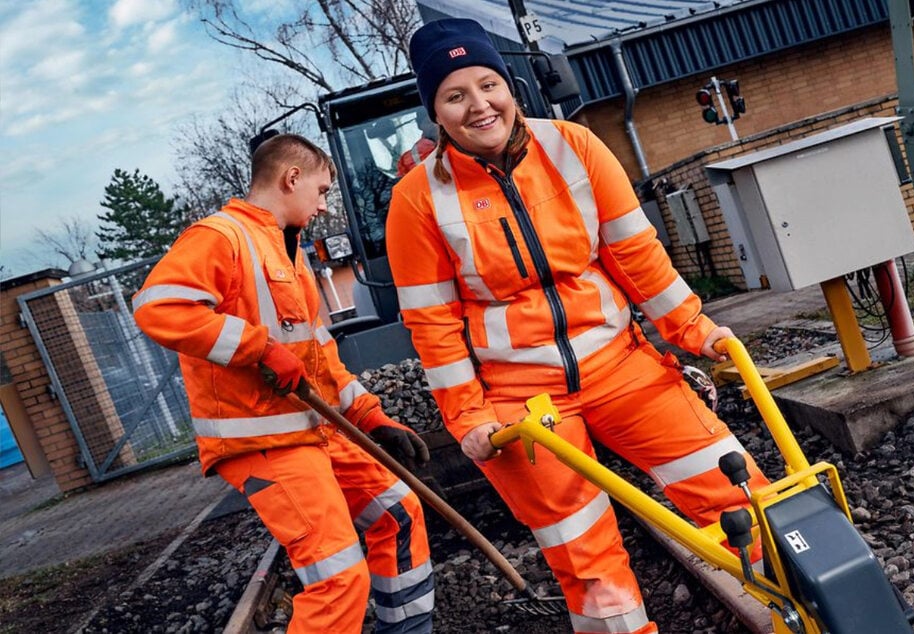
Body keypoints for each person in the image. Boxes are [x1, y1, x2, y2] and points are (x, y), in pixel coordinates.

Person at [385, 18, 770, 634]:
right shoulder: (416, 200)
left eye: (488, 85)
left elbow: (636, 254)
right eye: (455, 95)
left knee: (735, 490)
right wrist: (469, 416)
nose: (479, 105)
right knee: (581, 548)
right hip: (521, 401)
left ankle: (798, 607)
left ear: (509, 85)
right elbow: (433, 324)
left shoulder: (575, 146)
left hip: (623, 364)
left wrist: (696, 330)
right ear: (435, 110)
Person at [133, 134, 434, 634]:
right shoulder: (221, 236)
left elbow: (320, 361)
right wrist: (259, 348)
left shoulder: (291, 256)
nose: (322, 205)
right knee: (338, 577)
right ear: (291, 178)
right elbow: (157, 308)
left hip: (310, 432)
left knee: (397, 513)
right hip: (260, 438)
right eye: (320, 191)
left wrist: (371, 418)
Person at [396, 108, 439, 177]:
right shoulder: (407, 159)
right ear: (420, 126)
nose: (434, 125)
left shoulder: (455, 141)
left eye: (435, 121)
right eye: (428, 122)